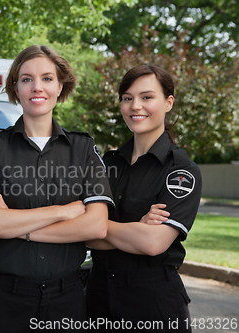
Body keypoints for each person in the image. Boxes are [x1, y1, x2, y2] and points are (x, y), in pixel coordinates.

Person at [0, 45, 114, 333]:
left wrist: (15, 225)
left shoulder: (84, 148)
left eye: (47, 78)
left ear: (60, 86)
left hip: (67, 300)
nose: (37, 87)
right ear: (16, 88)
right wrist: (63, 212)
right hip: (5, 300)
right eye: (27, 79)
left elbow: (97, 225)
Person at [86, 64, 202, 332]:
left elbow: (153, 242)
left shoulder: (180, 171)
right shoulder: (106, 164)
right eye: (127, 98)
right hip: (96, 300)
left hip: (152, 305)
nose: (135, 106)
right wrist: (134, 227)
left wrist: (96, 225)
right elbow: (82, 234)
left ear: (168, 102)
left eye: (147, 97)